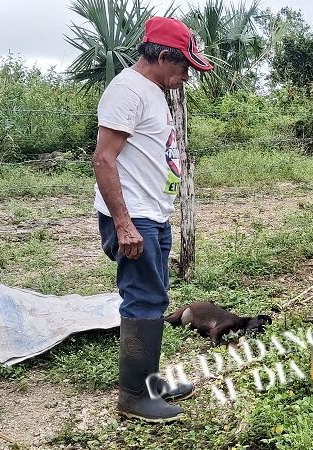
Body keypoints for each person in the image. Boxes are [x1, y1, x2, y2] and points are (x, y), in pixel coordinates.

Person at [92, 16, 213, 423]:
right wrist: (124, 224)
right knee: (143, 298)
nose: (187, 76)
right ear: (162, 56)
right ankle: (133, 397)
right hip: (134, 216)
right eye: (184, 67)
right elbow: (103, 159)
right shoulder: (127, 91)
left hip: (152, 213)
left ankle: (147, 381)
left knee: (154, 297)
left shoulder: (153, 90)